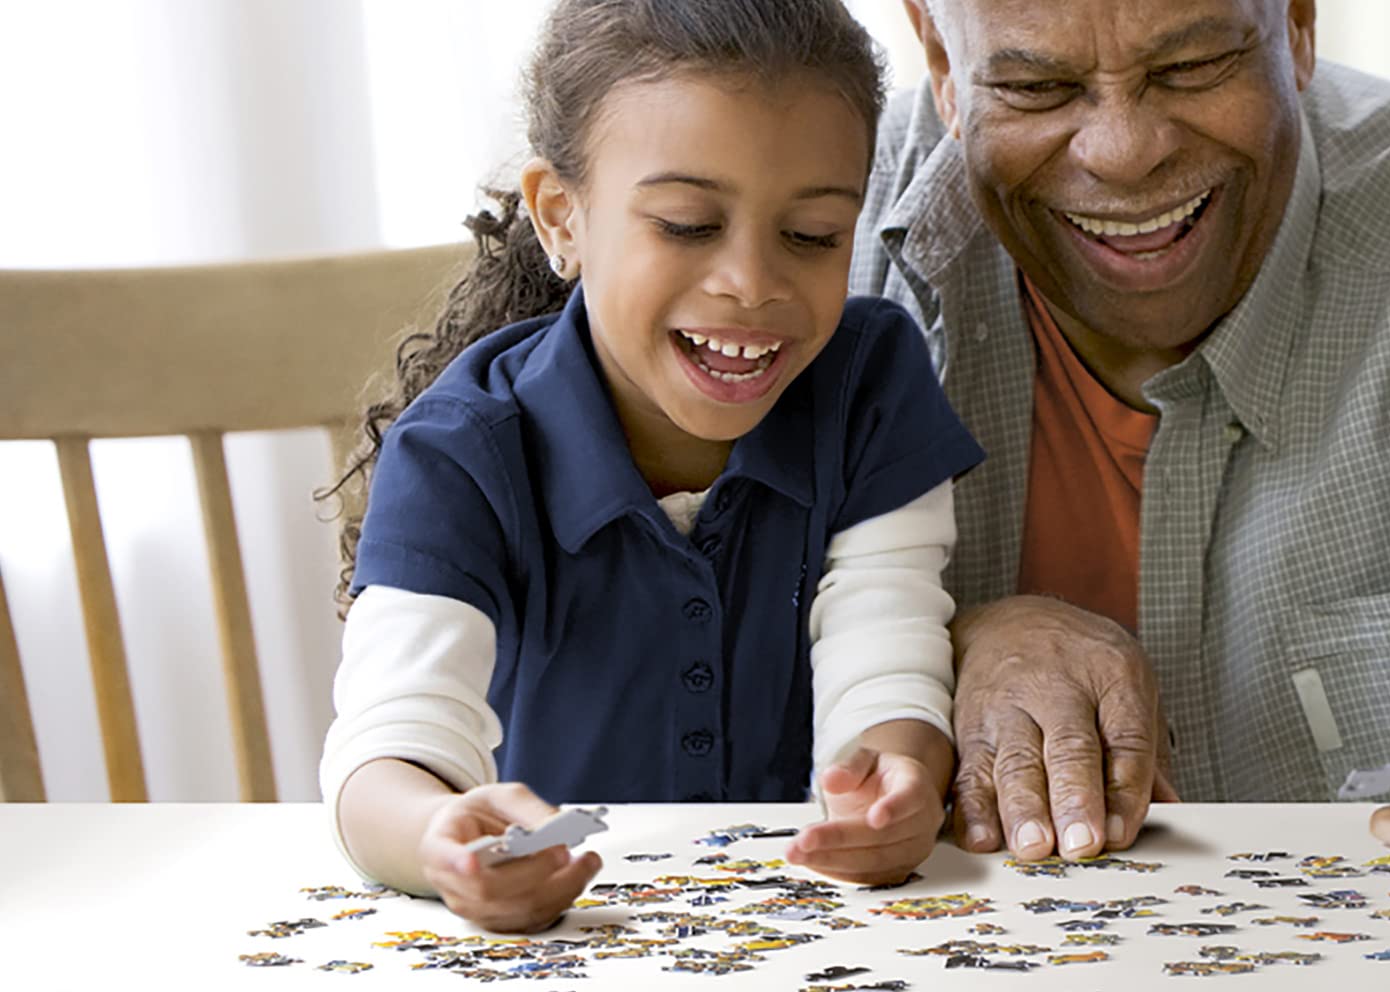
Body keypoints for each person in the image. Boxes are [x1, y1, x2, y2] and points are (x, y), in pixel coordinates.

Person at [856, 0, 1390, 869]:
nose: (1125, 151)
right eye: (1035, 86)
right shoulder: (796, 224)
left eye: (1192, 67)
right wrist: (937, 642)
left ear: (1296, 23)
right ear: (941, 61)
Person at [316, 0, 983, 932]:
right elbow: (386, 750)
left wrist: (894, 778)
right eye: (684, 223)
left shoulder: (871, 384)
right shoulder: (460, 451)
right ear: (561, 217)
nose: (751, 281)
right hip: (565, 939)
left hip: (813, 929)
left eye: (814, 235)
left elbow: (886, 648)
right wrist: (438, 837)